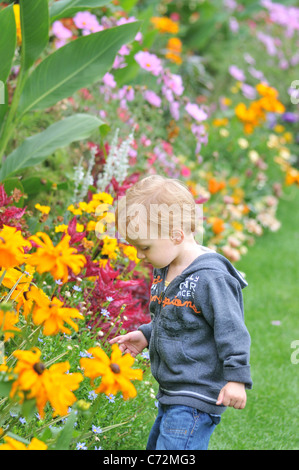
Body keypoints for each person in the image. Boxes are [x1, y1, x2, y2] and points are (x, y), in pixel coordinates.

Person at [110, 175, 252, 450]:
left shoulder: (211, 278)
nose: (140, 255)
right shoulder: (167, 268)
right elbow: (178, 319)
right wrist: (146, 335)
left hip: (195, 395)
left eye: (145, 247)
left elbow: (231, 331)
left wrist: (236, 379)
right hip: (173, 392)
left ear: (176, 235)